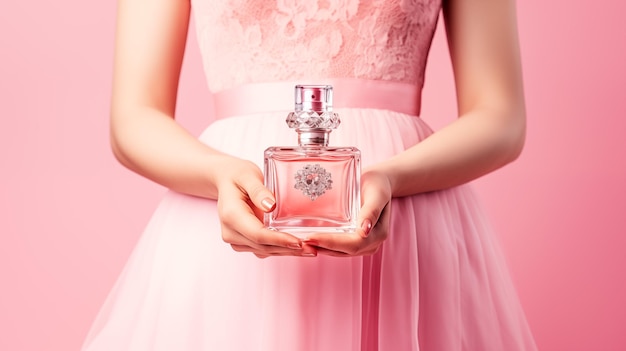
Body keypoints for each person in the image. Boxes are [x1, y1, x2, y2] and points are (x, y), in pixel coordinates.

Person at [83, 0, 537, 350]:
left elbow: (500, 117)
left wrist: (392, 176)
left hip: (406, 224)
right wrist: (220, 174)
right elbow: (133, 118)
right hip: (228, 225)